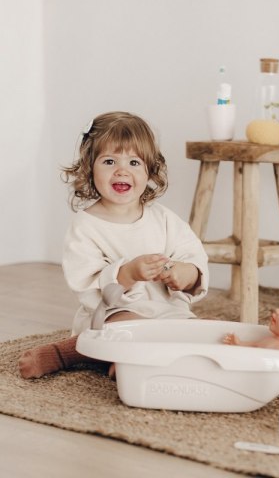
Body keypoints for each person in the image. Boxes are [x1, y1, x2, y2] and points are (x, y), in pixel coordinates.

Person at [19, 111, 209, 379]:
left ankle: (139, 357)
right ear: (90, 168)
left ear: (149, 170)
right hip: (114, 315)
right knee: (122, 332)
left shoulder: (164, 219)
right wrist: (127, 273)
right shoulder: (86, 226)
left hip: (168, 315)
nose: (122, 170)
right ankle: (67, 352)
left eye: (134, 162)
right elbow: (86, 285)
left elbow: (193, 255)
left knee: (208, 334)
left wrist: (185, 273)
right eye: (109, 161)